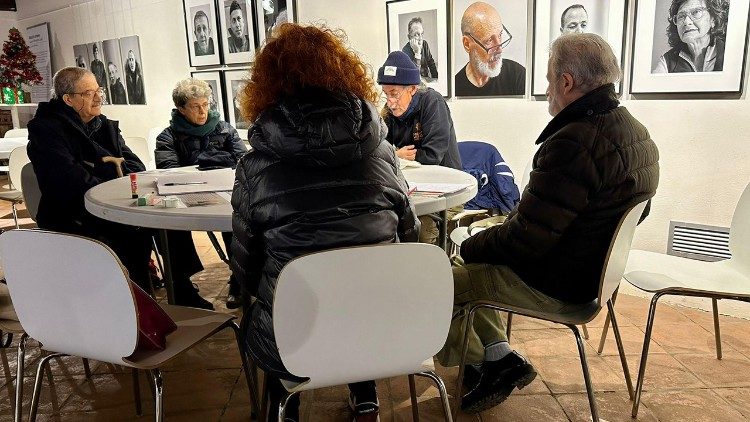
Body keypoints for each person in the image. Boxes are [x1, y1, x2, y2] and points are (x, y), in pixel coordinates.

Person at [436, 33, 659, 413]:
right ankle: (498, 357)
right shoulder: (634, 131)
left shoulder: (575, 142)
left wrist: (472, 243)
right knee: (470, 266)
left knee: (440, 283)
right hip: (591, 275)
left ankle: (483, 363)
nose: (546, 88)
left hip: (557, 283)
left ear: (567, 82)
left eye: (548, 79)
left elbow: (526, 241)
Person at [231, 23, 419, 422]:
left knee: (273, 301)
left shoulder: (255, 167)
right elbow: (410, 236)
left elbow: (246, 270)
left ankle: (288, 407)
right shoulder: (382, 153)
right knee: (358, 285)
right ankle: (366, 397)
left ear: (267, 85)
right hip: (377, 324)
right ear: (344, 74)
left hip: (294, 335)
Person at [26, 67, 154, 294]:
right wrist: (114, 184)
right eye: (88, 93)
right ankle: (127, 304)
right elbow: (69, 179)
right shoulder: (46, 129)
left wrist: (112, 180)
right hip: (72, 214)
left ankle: (179, 291)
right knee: (133, 234)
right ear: (68, 99)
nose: (98, 97)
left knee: (164, 228)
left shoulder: (104, 125)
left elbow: (135, 166)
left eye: (99, 90)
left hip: (114, 205)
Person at [155, 78, 248, 310]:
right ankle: (182, 286)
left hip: (224, 194)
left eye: (206, 104)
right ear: (181, 108)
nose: (203, 111)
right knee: (169, 227)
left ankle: (239, 280)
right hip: (188, 199)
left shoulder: (225, 129)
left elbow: (244, 163)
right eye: (196, 106)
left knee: (236, 221)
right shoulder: (168, 137)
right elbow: (170, 173)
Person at [378, 50, 461, 244]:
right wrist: (396, 154)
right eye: (386, 94)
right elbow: (381, 152)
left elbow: (432, 156)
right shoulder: (389, 112)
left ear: (413, 89)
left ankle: (430, 271)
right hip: (409, 191)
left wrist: (396, 156)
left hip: (446, 192)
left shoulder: (433, 102)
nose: (390, 102)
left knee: (419, 229)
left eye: (395, 94)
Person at [455, 1, 525, 96]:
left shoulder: (517, 76)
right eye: (489, 40)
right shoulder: (456, 88)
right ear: (467, 44)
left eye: (500, 35)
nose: (499, 49)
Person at [653, 0, 728, 73]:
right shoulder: (667, 62)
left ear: (713, 20)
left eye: (696, 12)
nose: (686, 22)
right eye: (681, 16)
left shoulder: (729, 52)